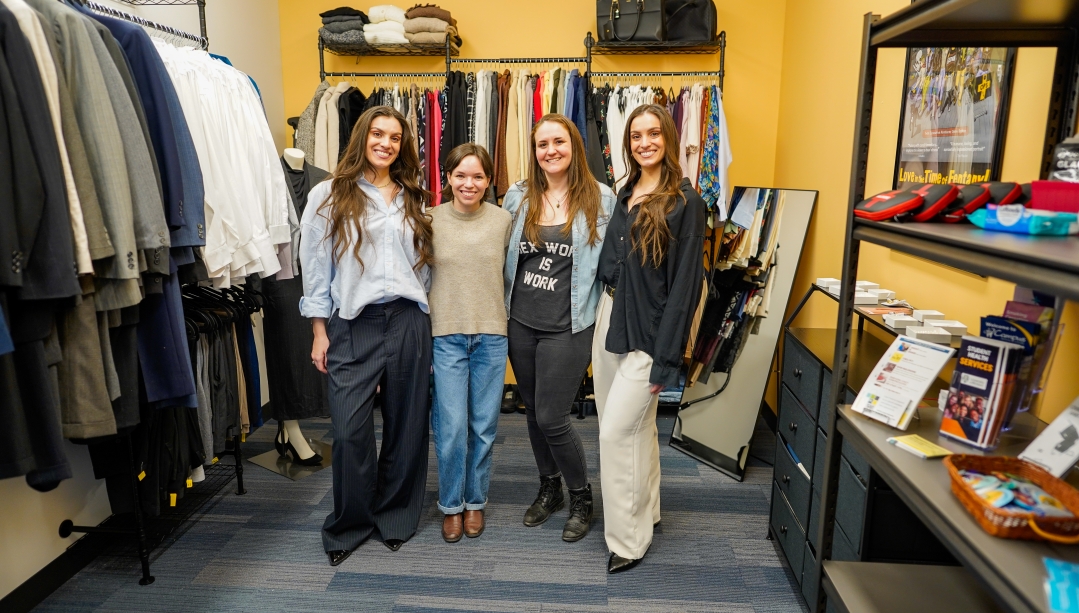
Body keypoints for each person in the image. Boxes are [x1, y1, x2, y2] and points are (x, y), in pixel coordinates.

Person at [299, 106, 434, 566]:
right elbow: (315, 267)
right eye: (378, 134)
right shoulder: (328, 194)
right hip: (352, 324)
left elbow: (426, 266)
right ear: (362, 137)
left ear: (403, 146)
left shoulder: (413, 195)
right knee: (350, 430)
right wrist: (320, 330)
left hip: (408, 321)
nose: (386, 143)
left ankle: (395, 516)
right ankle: (350, 524)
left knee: (407, 426)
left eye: (395, 138)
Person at [593, 104, 705, 573]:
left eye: (653, 133)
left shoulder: (686, 201)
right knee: (635, 428)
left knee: (616, 433)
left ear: (668, 138)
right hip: (610, 316)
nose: (644, 143)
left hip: (650, 329)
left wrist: (667, 358)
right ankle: (649, 511)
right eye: (636, 135)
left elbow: (686, 287)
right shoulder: (625, 192)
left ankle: (627, 541)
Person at [503, 114, 615, 543]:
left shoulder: (601, 199)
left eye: (558, 142)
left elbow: (613, 262)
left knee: (553, 415)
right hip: (521, 321)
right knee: (533, 410)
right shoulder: (518, 196)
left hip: (569, 324)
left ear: (574, 146)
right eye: (541, 144)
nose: (550, 151)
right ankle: (548, 486)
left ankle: (581, 495)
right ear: (534, 152)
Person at [429, 143, 512, 543]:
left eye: (478, 176)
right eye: (461, 175)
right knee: (451, 427)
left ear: (488, 181)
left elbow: (511, 278)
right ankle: (450, 505)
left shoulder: (503, 221)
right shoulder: (429, 220)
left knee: (483, 427)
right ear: (448, 177)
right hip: (445, 336)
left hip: (492, 337)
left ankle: (475, 501)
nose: (469, 183)